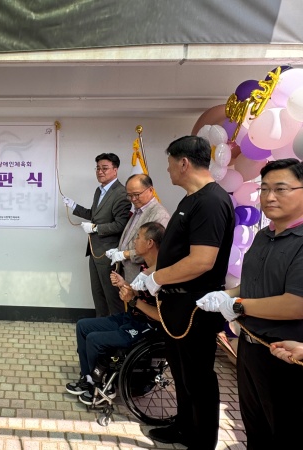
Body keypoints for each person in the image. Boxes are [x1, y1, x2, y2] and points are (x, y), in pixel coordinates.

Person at [131, 136, 234, 450]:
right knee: (182, 373)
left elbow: (202, 261)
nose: (168, 169)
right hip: (176, 305)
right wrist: (151, 276)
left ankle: (202, 441)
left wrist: (157, 277)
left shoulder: (211, 201)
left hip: (194, 308)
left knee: (199, 378)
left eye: (170, 163)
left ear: (184, 163)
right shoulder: (191, 199)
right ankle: (184, 426)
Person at [196, 158, 303, 450]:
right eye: (264, 189)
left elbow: (296, 304)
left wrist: (239, 306)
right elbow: (252, 284)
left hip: (286, 357)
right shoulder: (264, 236)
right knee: (255, 430)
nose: (269, 197)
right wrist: (226, 296)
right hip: (250, 347)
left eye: (281, 189)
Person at [66, 222, 165, 405]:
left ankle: (102, 386)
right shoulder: (145, 266)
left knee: (94, 339)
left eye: (138, 237)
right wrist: (124, 285)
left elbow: (161, 316)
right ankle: (88, 378)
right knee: (83, 326)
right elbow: (140, 296)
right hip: (132, 318)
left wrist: (133, 300)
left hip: (148, 328)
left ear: (150, 243)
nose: (134, 241)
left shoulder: (163, 274)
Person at [63, 153, 131, 316]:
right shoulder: (99, 190)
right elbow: (95, 215)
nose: (100, 172)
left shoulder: (121, 193)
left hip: (109, 253)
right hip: (95, 250)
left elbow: (121, 224)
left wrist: (95, 228)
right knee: (98, 293)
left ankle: (115, 327)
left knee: (111, 295)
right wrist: (74, 206)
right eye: (98, 168)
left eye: (105, 168)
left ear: (115, 170)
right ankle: (100, 325)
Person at [105, 174, 170, 283]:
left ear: (151, 190)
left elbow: (155, 251)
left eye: (136, 194)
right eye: (129, 195)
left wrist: (125, 254)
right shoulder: (138, 210)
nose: (133, 199)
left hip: (142, 277)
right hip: (127, 274)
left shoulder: (159, 215)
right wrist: (120, 249)